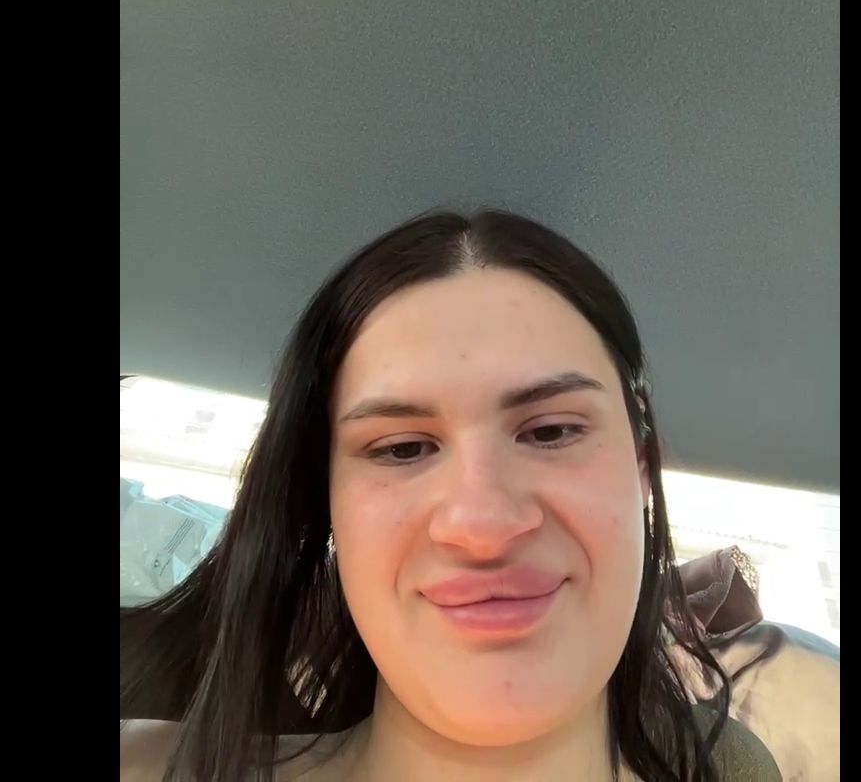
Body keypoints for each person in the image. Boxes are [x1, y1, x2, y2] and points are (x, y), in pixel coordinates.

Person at [120, 209, 781, 781]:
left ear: (641, 466)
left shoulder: (734, 767)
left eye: (551, 431)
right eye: (403, 448)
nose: (482, 523)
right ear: (326, 502)